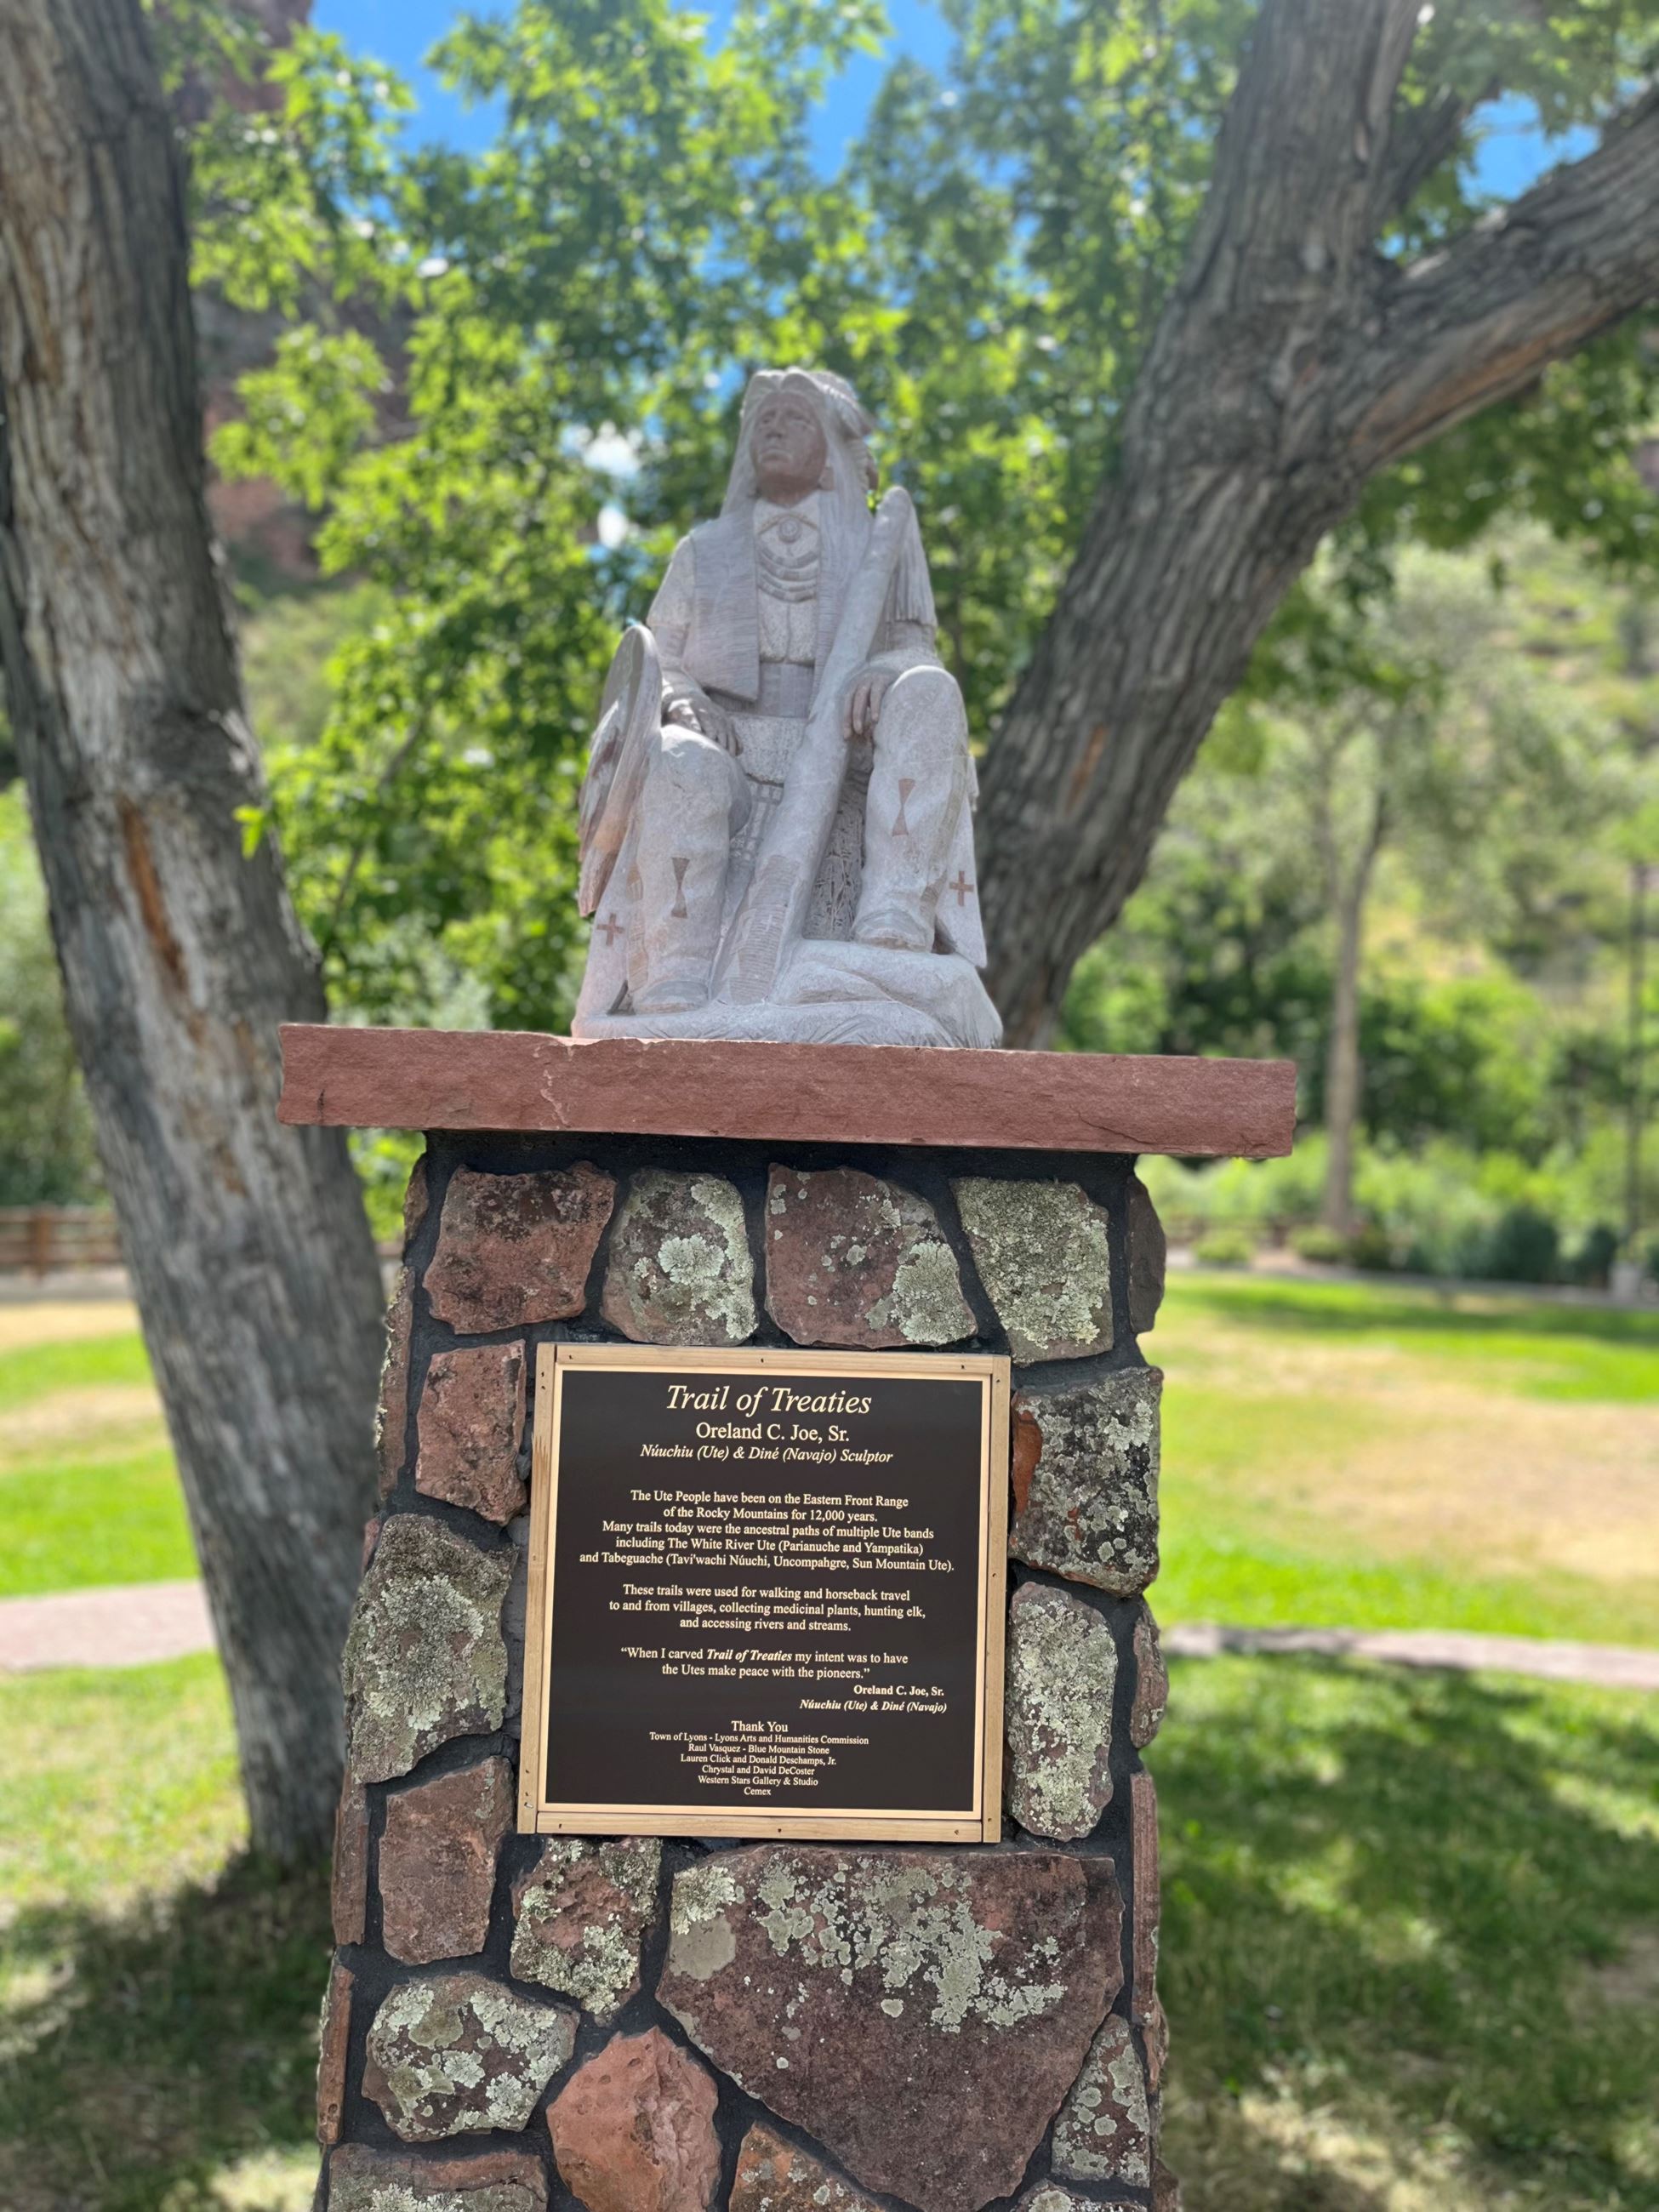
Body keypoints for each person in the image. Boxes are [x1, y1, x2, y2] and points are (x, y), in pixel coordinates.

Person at [574, 368, 999, 1048]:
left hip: (846, 751)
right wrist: (684, 701)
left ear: (833, 446)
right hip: (731, 754)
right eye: (761, 420)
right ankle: (675, 979)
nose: (772, 427)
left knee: (931, 692)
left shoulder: (878, 545)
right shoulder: (703, 551)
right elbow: (659, 663)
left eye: (794, 418)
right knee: (679, 762)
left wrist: (887, 669)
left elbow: (918, 649)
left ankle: (893, 921)